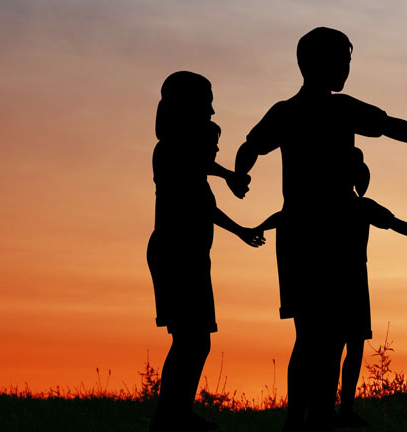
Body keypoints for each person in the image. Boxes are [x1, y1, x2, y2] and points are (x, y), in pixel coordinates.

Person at [230, 27, 407, 431]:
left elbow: (249, 148)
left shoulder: (285, 112)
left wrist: (239, 174)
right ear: (318, 64)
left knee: (311, 335)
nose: (348, 67)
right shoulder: (338, 109)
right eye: (343, 60)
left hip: (299, 234)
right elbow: (396, 126)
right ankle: (315, 419)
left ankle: (306, 419)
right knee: (325, 338)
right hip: (327, 235)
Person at [251, 147, 407, 428]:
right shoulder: (348, 205)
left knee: (347, 346)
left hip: (347, 282)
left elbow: (283, 217)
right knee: (333, 348)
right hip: (344, 283)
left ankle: (335, 410)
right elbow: (284, 217)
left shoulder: (348, 205)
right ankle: (326, 411)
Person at [147, 71, 264, 432]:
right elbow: (201, 203)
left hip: (189, 255)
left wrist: (227, 174)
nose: (212, 109)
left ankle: (175, 413)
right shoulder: (170, 152)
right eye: (207, 100)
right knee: (191, 339)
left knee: (194, 340)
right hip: (176, 255)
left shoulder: (179, 152)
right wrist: (241, 229)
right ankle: (172, 416)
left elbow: (199, 163)